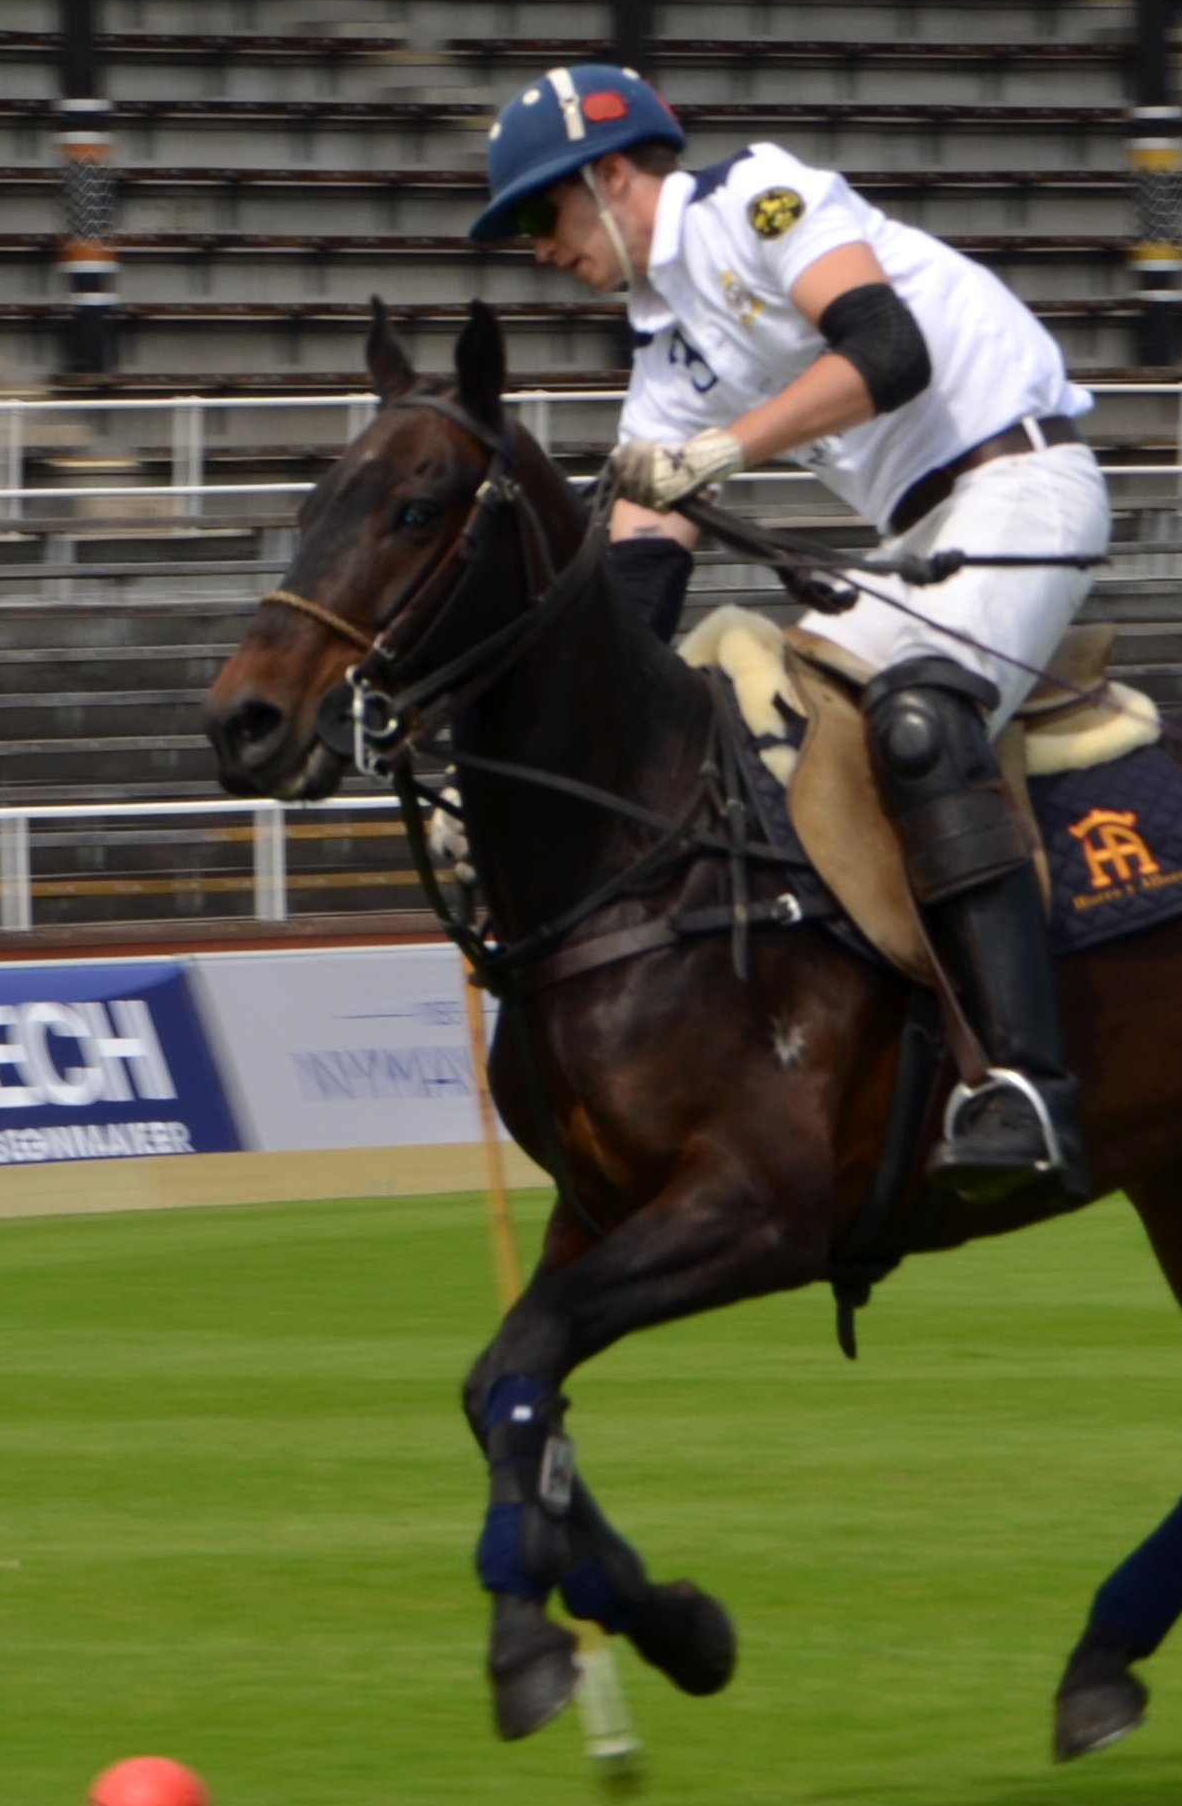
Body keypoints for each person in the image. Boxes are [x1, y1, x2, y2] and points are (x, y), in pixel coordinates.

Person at [470, 61, 1110, 1204]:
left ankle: (1028, 1085)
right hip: (916, 542)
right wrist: (540, 755)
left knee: (913, 720)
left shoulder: (760, 200)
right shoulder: (662, 354)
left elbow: (885, 349)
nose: (534, 248)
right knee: (759, 740)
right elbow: (640, 575)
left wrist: (724, 450)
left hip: (1021, 482)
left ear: (609, 177)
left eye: (537, 213)